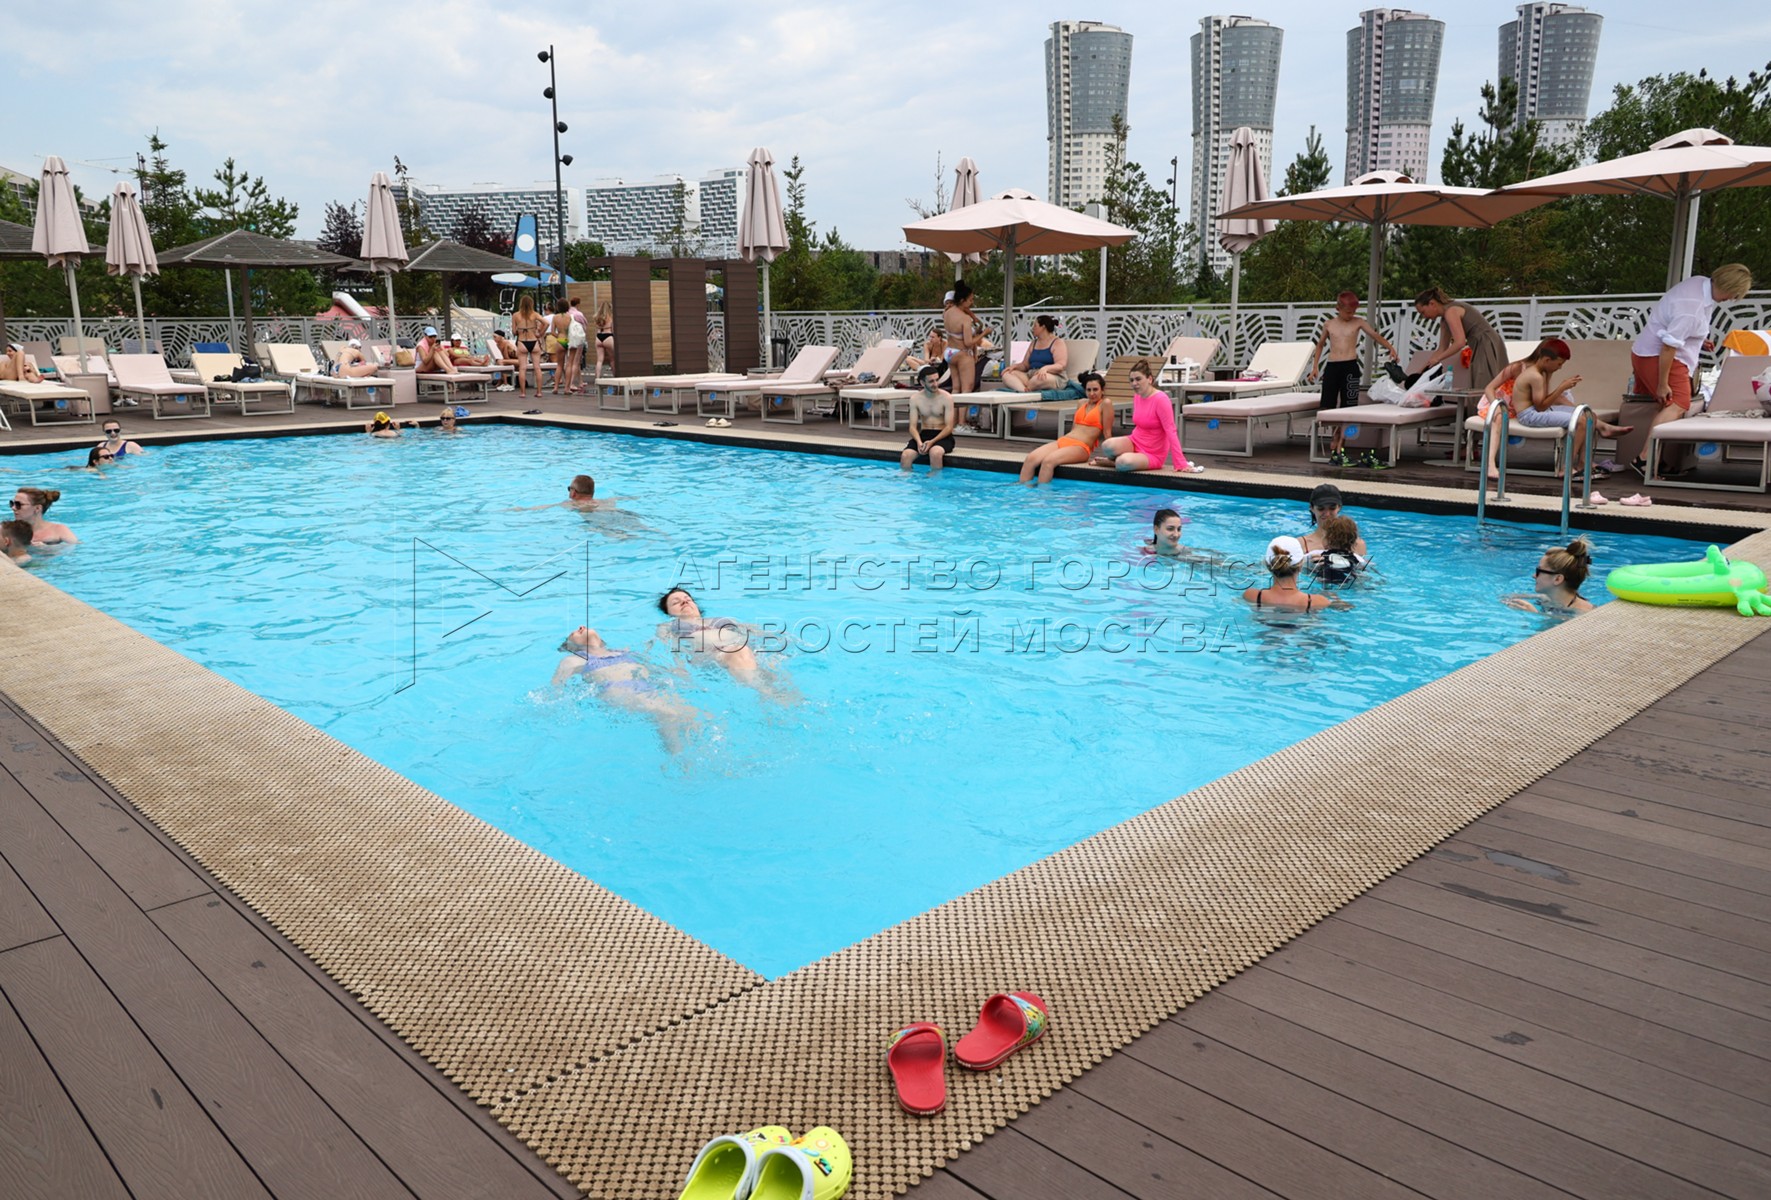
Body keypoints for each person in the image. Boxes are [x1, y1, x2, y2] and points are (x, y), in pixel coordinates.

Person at [1628, 263, 1754, 477]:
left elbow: (1676, 321)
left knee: (1670, 405)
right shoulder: (1692, 309)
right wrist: (1662, 384)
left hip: (1651, 351)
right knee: (1679, 404)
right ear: (1728, 287)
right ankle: (1644, 458)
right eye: (1734, 294)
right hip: (1658, 356)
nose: (1731, 299)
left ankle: (1654, 460)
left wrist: (1699, 339)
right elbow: (1669, 346)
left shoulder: (1699, 283)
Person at [1487, 339, 1632, 481]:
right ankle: (1566, 467)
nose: (1560, 368)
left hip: (1538, 411)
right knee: (1581, 421)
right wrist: (1561, 388)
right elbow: (1541, 406)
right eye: (1559, 364)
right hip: (1529, 415)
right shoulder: (1535, 376)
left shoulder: (1541, 372)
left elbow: (1543, 402)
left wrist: (1558, 386)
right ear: (1547, 360)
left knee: (1589, 416)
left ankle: (1583, 462)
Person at [550, 625, 698, 754]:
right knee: (668, 715)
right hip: (620, 692)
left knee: (692, 716)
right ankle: (680, 762)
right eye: (574, 633)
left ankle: (682, 758)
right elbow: (555, 689)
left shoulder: (625, 653)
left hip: (649, 689)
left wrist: (675, 672)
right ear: (571, 647)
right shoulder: (574, 660)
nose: (581, 627)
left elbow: (655, 671)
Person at [656, 587, 796, 702]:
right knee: (740, 653)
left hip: (746, 649)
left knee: (771, 675)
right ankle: (766, 693)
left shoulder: (723, 620)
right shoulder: (669, 626)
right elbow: (667, 647)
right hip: (712, 655)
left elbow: (755, 631)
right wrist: (679, 667)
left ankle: (784, 700)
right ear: (668, 612)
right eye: (676, 602)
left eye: (688, 599)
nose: (684, 602)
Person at [1309, 291, 1399, 463]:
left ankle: (1341, 442)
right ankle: (1336, 433)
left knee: (1349, 405)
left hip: (1350, 366)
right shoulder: (1329, 324)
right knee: (1328, 405)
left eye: (1353, 312)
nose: (1351, 315)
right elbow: (1320, 345)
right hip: (1332, 366)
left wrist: (1390, 348)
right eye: (1348, 312)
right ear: (1338, 308)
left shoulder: (1359, 322)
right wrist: (1315, 367)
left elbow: (1375, 336)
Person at [1093, 359, 1204, 475]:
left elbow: (1171, 431)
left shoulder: (1161, 400)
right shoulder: (1137, 396)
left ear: (1150, 379)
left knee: (1123, 462)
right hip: (1135, 441)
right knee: (1107, 446)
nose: (1134, 383)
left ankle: (1115, 462)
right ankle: (1120, 461)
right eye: (1132, 380)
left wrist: (1180, 462)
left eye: (1138, 379)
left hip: (1154, 453)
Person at [1018, 371, 1112, 485]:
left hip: (1081, 447)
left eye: (1095, 389)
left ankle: (1042, 493)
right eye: (1089, 390)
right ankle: (1021, 490)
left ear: (1103, 390)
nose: (1092, 393)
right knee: (1031, 458)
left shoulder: (1105, 404)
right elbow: (1074, 428)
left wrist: (1111, 458)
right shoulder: (1081, 403)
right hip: (1065, 440)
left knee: (1048, 461)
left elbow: (1107, 433)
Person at [1414, 287, 1505, 392]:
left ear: (1432, 303)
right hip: (1480, 344)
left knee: (1483, 383)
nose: (1424, 317)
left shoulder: (1451, 311)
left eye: (1423, 312)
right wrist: (1420, 371)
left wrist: (1438, 359)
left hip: (1486, 343)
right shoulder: (1444, 320)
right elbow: (1442, 348)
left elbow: (1459, 342)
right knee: (1479, 382)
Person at [1244, 536, 1342, 612]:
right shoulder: (1318, 602)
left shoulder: (1251, 596)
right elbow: (1345, 608)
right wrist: (1334, 597)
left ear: (1267, 565)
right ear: (1301, 565)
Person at [1503, 537, 1597, 615]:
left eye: (1538, 571)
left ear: (1557, 579)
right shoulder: (1547, 599)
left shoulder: (1584, 613)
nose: (1534, 576)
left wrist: (1535, 613)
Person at [901, 364, 956, 472]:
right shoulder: (915, 399)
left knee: (935, 453)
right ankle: (907, 481)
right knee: (905, 455)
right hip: (924, 434)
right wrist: (919, 442)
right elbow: (912, 427)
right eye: (931, 381)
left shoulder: (946, 398)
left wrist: (932, 442)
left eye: (937, 380)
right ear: (922, 383)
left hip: (943, 436)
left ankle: (934, 481)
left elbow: (949, 427)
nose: (935, 384)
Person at [1002, 316, 1068, 393]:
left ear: (1043, 327)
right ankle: (1024, 391)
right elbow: (1025, 365)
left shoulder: (1057, 342)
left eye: (1035, 326)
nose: (1032, 328)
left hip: (1050, 376)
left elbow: (1061, 365)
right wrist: (1014, 366)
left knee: (1040, 379)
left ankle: (1027, 388)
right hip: (1031, 375)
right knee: (1007, 374)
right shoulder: (1034, 343)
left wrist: (1045, 369)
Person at [1300, 483, 1368, 558]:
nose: (1327, 514)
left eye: (1332, 508)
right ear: (1312, 508)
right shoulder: (1301, 544)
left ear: (1339, 507)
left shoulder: (1358, 544)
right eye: (1321, 508)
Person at [942, 281, 987, 394]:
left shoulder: (947, 312)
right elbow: (968, 342)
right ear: (962, 300)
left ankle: (952, 406)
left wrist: (973, 316)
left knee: (956, 387)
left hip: (949, 352)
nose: (972, 302)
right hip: (962, 353)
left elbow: (962, 308)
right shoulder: (964, 318)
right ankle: (963, 407)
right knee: (967, 388)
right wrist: (984, 333)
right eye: (970, 300)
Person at [1306, 514, 1369, 585]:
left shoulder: (1316, 555)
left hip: (1324, 579)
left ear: (1327, 540)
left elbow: (1300, 566)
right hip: (1348, 580)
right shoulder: (1358, 559)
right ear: (1353, 541)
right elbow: (1364, 569)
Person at [12, 488, 76, 544]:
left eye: (18, 504)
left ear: (37, 508)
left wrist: (46, 548)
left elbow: (75, 547)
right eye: (12, 503)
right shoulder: (9, 530)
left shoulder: (58, 530)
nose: (13, 508)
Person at [512, 295, 546, 397]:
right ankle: (539, 392)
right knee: (537, 368)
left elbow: (514, 331)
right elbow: (546, 323)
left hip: (522, 342)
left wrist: (519, 330)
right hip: (534, 341)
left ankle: (523, 393)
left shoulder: (516, 315)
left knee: (522, 368)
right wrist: (540, 333)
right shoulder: (535, 314)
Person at [545, 298, 573, 395]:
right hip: (569, 340)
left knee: (559, 365)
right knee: (569, 364)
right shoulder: (570, 317)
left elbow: (552, 332)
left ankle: (556, 387)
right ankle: (567, 388)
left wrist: (559, 336)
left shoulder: (555, 317)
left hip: (560, 340)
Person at [563, 296, 588, 394]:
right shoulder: (579, 314)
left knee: (570, 360)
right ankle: (571, 383)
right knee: (576, 361)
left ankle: (580, 381)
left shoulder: (567, 313)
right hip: (577, 338)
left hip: (567, 338)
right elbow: (585, 325)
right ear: (578, 304)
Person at [592, 300, 615, 380]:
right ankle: (615, 376)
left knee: (599, 360)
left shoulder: (597, 317)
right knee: (612, 359)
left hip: (599, 337)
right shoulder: (611, 317)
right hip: (608, 336)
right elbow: (613, 329)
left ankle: (597, 378)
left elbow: (596, 328)